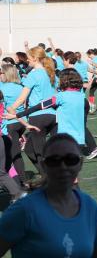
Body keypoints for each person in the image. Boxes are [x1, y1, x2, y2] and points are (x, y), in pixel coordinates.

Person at [0, 133, 97, 257]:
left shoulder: (90, 206)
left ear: (80, 164)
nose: (63, 167)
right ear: (44, 165)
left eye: (71, 160)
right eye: (54, 161)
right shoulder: (23, 210)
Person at [7, 47, 57, 178]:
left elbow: (22, 97)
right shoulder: (50, 73)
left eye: (29, 57)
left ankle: (50, 180)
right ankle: (45, 174)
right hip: (52, 115)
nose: (27, 59)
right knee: (29, 149)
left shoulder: (34, 75)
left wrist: (13, 108)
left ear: (35, 58)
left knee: (40, 152)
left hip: (38, 116)